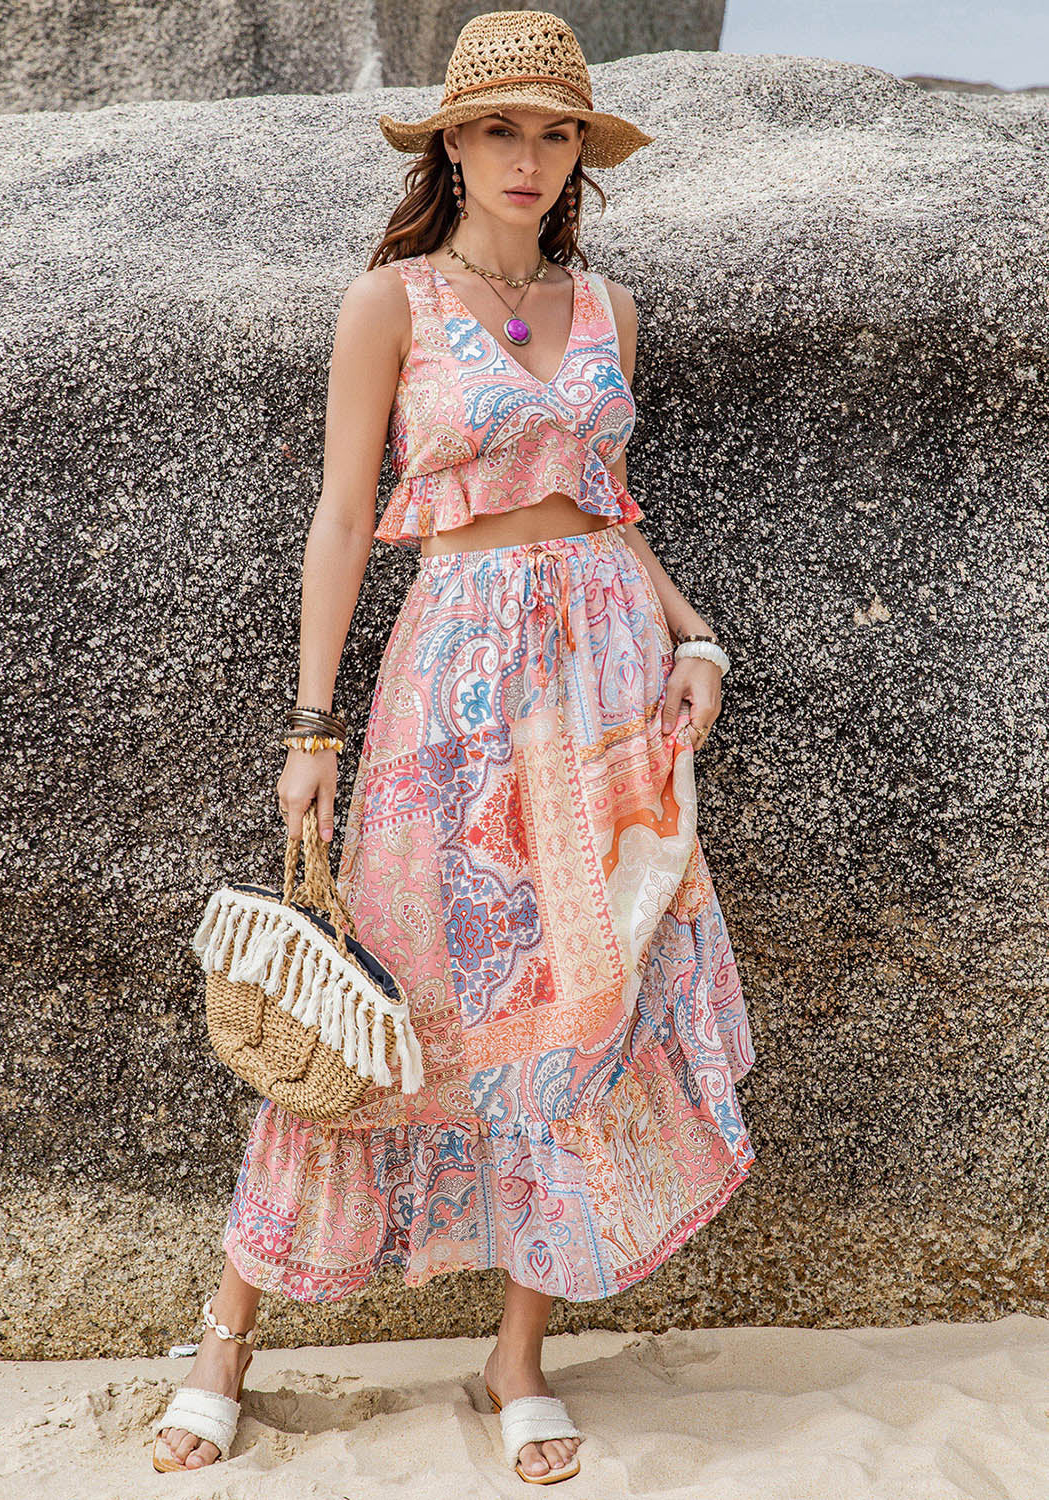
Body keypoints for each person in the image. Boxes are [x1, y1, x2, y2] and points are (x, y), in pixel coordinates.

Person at [153, 9, 756, 1485]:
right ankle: (226, 1342)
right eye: (500, 130)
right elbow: (344, 520)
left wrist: (692, 639)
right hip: (459, 677)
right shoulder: (393, 305)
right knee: (391, 1002)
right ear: (449, 143)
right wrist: (313, 725)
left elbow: (603, 496)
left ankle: (515, 1360)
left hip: (608, 671)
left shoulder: (606, 306)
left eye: (555, 134)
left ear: (579, 154)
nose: (528, 159)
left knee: (583, 994)